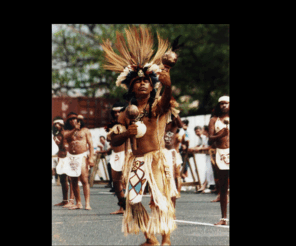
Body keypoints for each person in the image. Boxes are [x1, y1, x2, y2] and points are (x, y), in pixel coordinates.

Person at [101, 25, 181, 245]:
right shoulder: (127, 112)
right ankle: (149, 237)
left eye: (146, 80)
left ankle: (165, 239)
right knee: (133, 200)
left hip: (156, 158)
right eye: (138, 81)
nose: (143, 83)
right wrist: (128, 132)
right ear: (132, 87)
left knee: (160, 200)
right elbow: (113, 139)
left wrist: (169, 86)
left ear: (152, 85)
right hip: (136, 161)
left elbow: (166, 103)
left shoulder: (156, 106)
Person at [64, 112, 95, 210]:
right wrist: (74, 129)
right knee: (73, 180)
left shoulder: (85, 130)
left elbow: (90, 144)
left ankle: (87, 203)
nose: (73, 120)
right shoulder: (67, 131)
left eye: (74, 118)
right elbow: (66, 137)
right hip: (71, 157)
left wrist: (91, 158)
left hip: (82, 156)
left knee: (84, 179)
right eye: (70, 119)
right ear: (68, 121)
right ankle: (78, 203)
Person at [208, 96, 230, 226]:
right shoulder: (214, 120)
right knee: (223, 187)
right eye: (221, 104)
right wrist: (220, 135)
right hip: (221, 153)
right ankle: (224, 218)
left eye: (226, 103)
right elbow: (210, 139)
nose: (223, 106)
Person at [105, 101, 128, 215]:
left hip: (126, 153)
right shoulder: (111, 126)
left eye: (119, 112)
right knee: (116, 182)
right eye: (115, 112)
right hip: (115, 155)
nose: (117, 114)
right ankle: (122, 207)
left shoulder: (129, 124)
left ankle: (132, 207)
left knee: (127, 181)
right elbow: (109, 140)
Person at [52, 116, 75, 206]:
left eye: (58, 124)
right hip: (60, 157)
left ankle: (71, 200)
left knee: (71, 178)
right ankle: (65, 200)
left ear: (62, 124)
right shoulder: (57, 134)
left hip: (68, 157)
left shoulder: (66, 133)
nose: (56, 125)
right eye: (55, 124)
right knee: (62, 179)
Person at [164, 113, 183, 209]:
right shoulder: (159, 122)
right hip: (159, 153)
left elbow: (181, 125)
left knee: (173, 178)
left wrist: (174, 111)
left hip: (171, 153)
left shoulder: (174, 124)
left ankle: (172, 208)